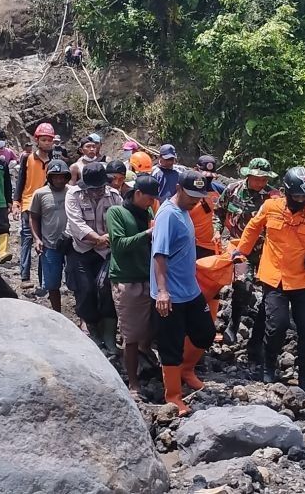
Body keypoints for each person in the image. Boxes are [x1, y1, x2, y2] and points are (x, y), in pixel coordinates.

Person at [234, 167, 305, 395]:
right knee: (277, 326)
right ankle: (269, 366)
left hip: (303, 280)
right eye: (296, 196)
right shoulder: (270, 207)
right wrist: (240, 252)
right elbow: (252, 228)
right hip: (274, 277)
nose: (301, 200)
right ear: (286, 192)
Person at [152, 170, 217, 415]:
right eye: (190, 195)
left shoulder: (186, 211)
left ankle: (187, 370)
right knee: (171, 344)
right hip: (170, 293)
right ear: (178, 189)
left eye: (198, 197)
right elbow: (159, 255)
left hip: (189, 288)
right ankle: (173, 395)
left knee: (205, 333)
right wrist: (162, 291)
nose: (195, 201)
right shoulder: (168, 215)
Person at [214, 157, 281, 353]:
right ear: (248, 175)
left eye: (264, 180)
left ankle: (258, 338)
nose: (260, 183)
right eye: (257, 179)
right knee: (242, 286)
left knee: (270, 292)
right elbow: (218, 211)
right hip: (240, 250)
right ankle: (234, 323)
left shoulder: (274, 197)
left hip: (265, 251)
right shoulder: (233, 190)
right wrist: (217, 230)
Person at [106, 174, 160, 398]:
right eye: (149, 198)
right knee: (130, 334)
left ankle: (146, 355)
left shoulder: (146, 212)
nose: (151, 203)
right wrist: (147, 234)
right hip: (126, 279)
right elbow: (118, 245)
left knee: (152, 326)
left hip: (148, 277)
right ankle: (133, 381)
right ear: (137, 193)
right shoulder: (116, 212)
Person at [65, 162, 122, 351]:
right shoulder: (73, 195)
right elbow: (76, 224)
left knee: (107, 290)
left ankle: (110, 335)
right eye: (92, 189)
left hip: (105, 251)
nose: (96, 192)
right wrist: (97, 238)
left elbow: (120, 220)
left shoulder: (114, 196)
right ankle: (93, 332)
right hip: (80, 249)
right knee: (86, 290)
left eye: (99, 188)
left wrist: (109, 238)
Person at [12, 123, 53, 287]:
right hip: (28, 202)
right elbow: (20, 180)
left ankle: (44, 280)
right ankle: (25, 277)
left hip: (47, 204)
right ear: (37, 140)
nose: (47, 143)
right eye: (44, 140)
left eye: (49, 140)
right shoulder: (27, 158)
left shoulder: (54, 161)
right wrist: (16, 202)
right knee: (27, 238)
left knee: (45, 240)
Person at [30, 160, 72, 313]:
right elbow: (33, 217)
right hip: (50, 245)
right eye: (55, 177)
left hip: (72, 244)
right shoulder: (40, 194)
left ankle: (83, 317)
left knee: (78, 282)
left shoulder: (72, 192)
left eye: (62, 177)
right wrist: (37, 238)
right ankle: (57, 314)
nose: (59, 180)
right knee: (52, 284)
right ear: (49, 177)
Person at [188, 155, 221, 259]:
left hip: (213, 246)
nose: (208, 179)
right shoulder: (187, 192)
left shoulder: (218, 190)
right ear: (196, 170)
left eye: (210, 177)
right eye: (205, 177)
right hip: (193, 245)